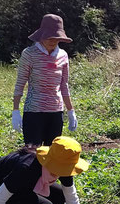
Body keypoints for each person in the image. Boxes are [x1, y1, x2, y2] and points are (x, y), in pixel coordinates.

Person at [12, 14, 78, 146]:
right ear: (41, 35)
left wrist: (71, 111)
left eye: (56, 38)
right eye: (50, 37)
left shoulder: (63, 56)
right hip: (34, 111)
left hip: (55, 111)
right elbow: (20, 83)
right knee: (32, 153)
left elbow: (64, 85)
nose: (53, 41)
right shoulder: (29, 54)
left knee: (51, 154)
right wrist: (15, 111)